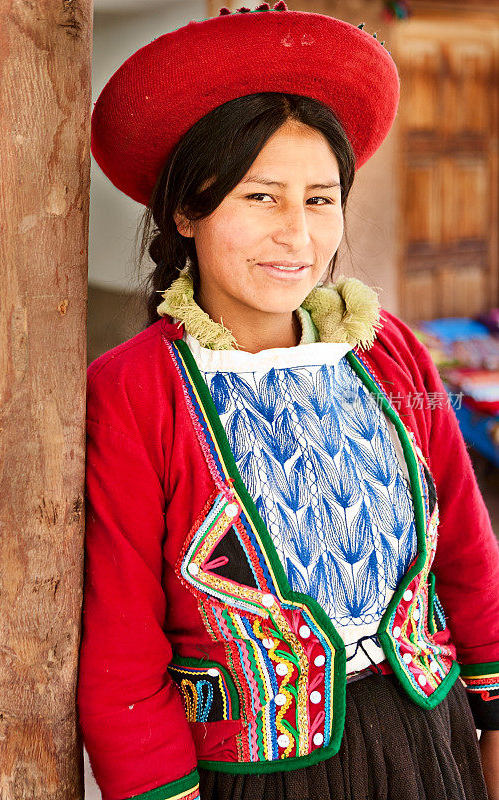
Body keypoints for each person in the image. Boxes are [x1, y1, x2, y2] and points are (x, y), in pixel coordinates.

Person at [77, 5, 499, 800]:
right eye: (260, 197)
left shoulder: (387, 353)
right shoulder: (137, 390)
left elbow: (469, 556)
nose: (297, 236)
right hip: (257, 775)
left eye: (319, 199)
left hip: (429, 741)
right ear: (185, 211)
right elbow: (121, 651)